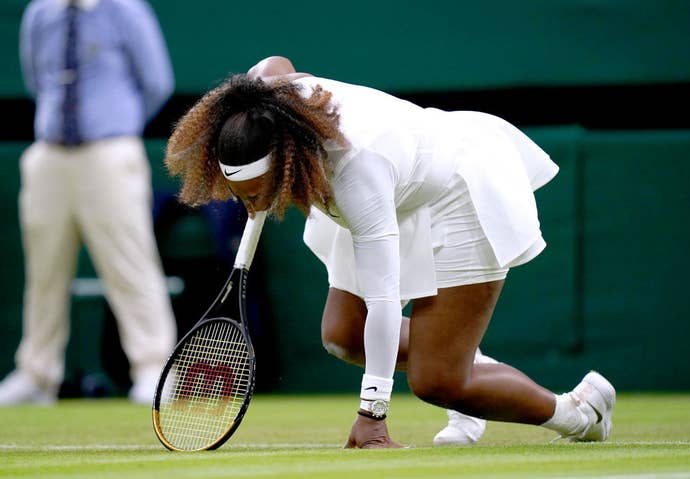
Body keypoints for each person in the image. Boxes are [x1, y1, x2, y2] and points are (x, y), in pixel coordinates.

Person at [164, 56, 616, 448]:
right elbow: (274, 65)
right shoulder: (263, 103)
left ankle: (578, 412)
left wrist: (373, 414)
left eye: (258, 190)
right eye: (239, 193)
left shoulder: (357, 171)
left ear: (288, 162)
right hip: (401, 185)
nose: (251, 205)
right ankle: (470, 365)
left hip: (459, 186)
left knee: (438, 381)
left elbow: (385, 300)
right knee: (344, 333)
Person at [0, 0, 177, 406]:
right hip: (49, 155)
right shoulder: (39, 14)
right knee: (44, 271)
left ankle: (153, 368)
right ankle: (36, 373)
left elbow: (156, 82)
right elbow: (37, 81)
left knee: (130, 263)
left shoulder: (126, 11)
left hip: (110, 151)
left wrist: (118, 121)